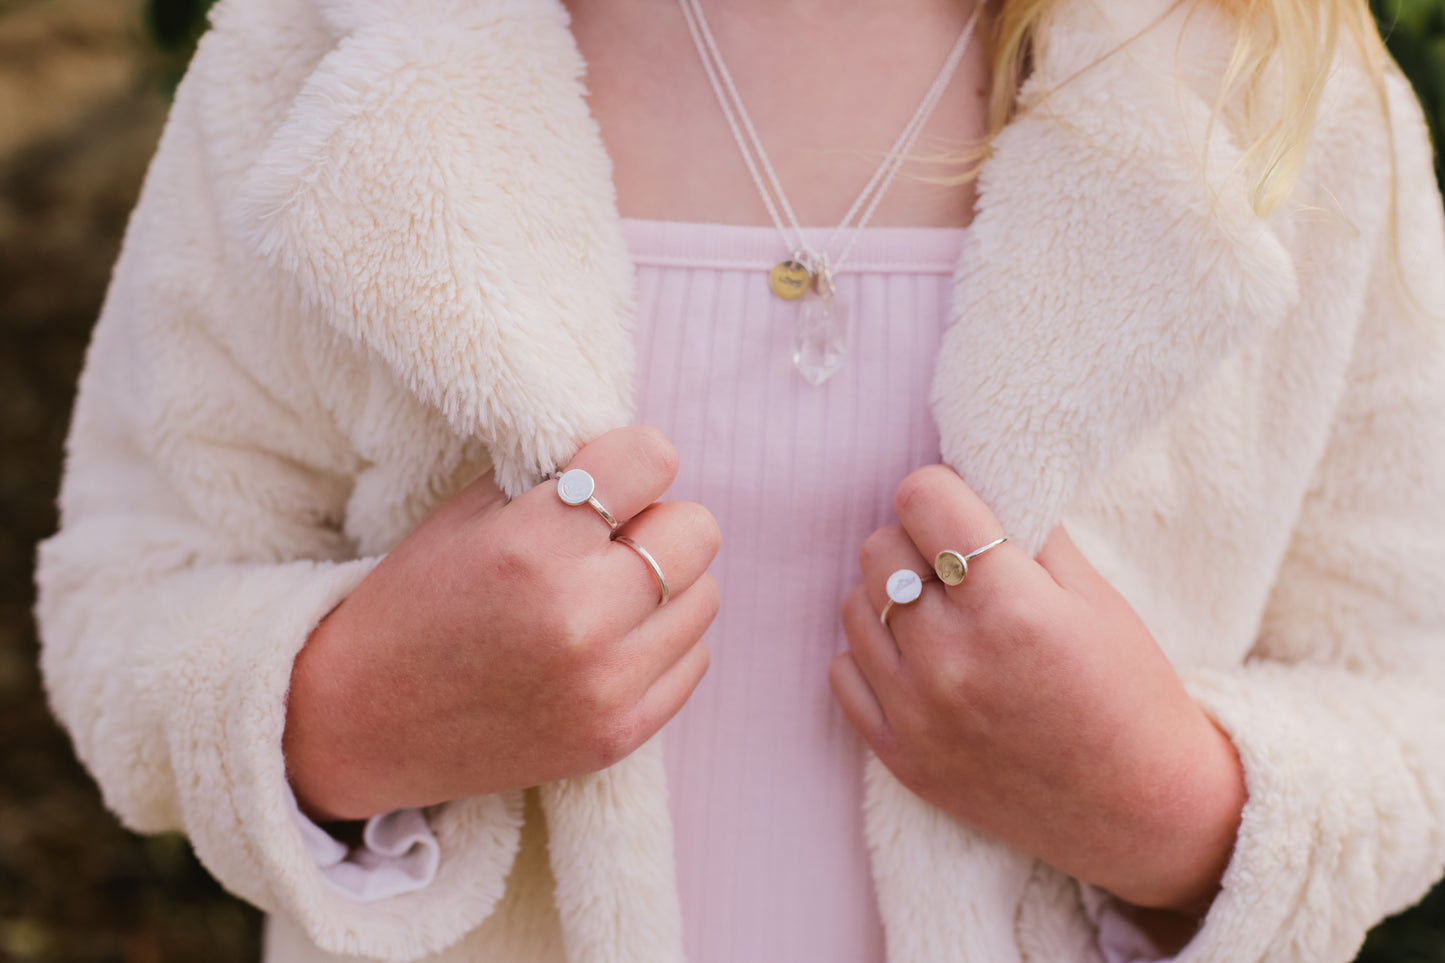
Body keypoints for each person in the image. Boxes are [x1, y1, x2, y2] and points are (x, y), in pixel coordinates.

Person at [32, 0, 1445, 959]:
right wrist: (348, 705)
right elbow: (126, 599)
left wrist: (1170, 805)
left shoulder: (1269, 90)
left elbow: (1412, 687)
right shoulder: (334, 46)